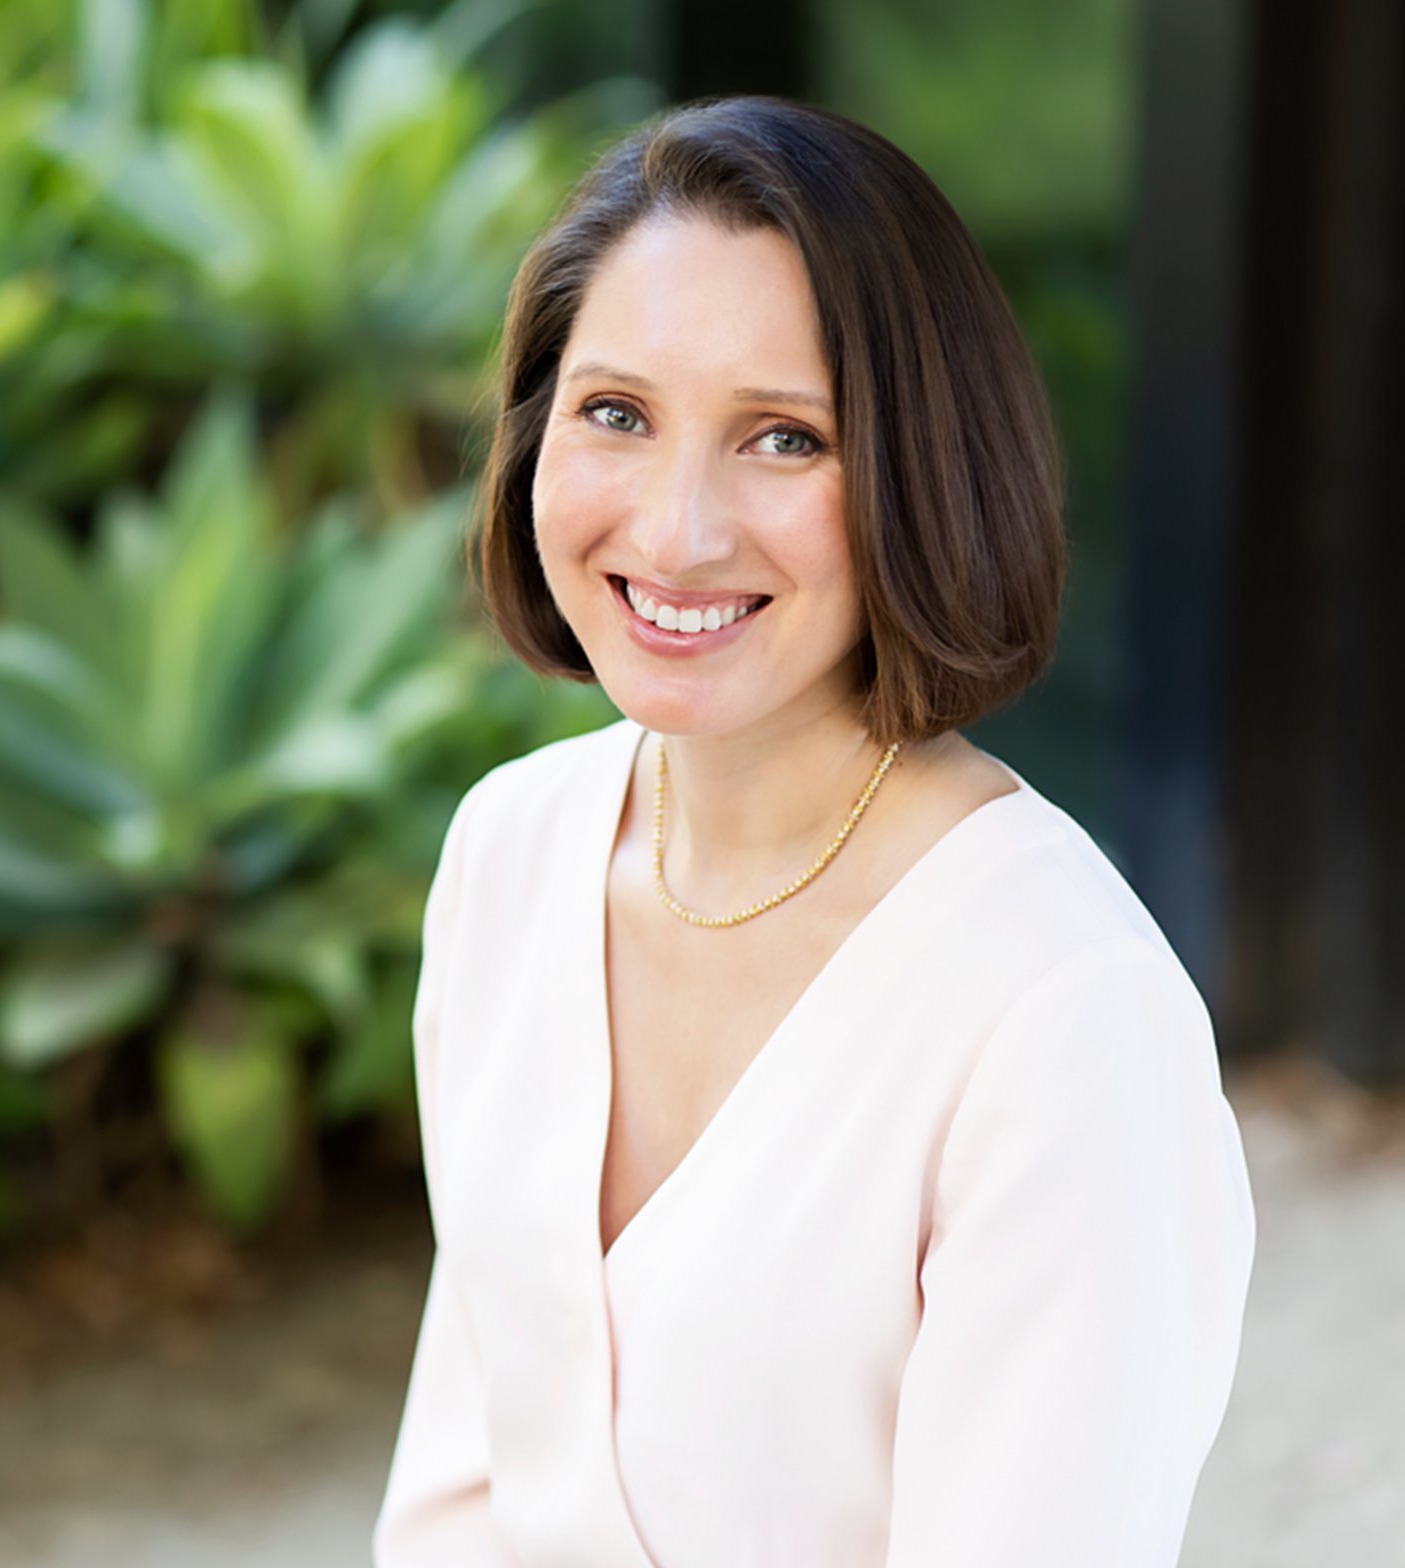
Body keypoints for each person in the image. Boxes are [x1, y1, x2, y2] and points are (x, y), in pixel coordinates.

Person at [370, 96, 1255, 1566]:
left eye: (784, 439)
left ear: (925, 470)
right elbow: (462, 1492)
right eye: (615, 414)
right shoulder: (510, 856)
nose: (674, 531)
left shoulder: (1063, 1020)